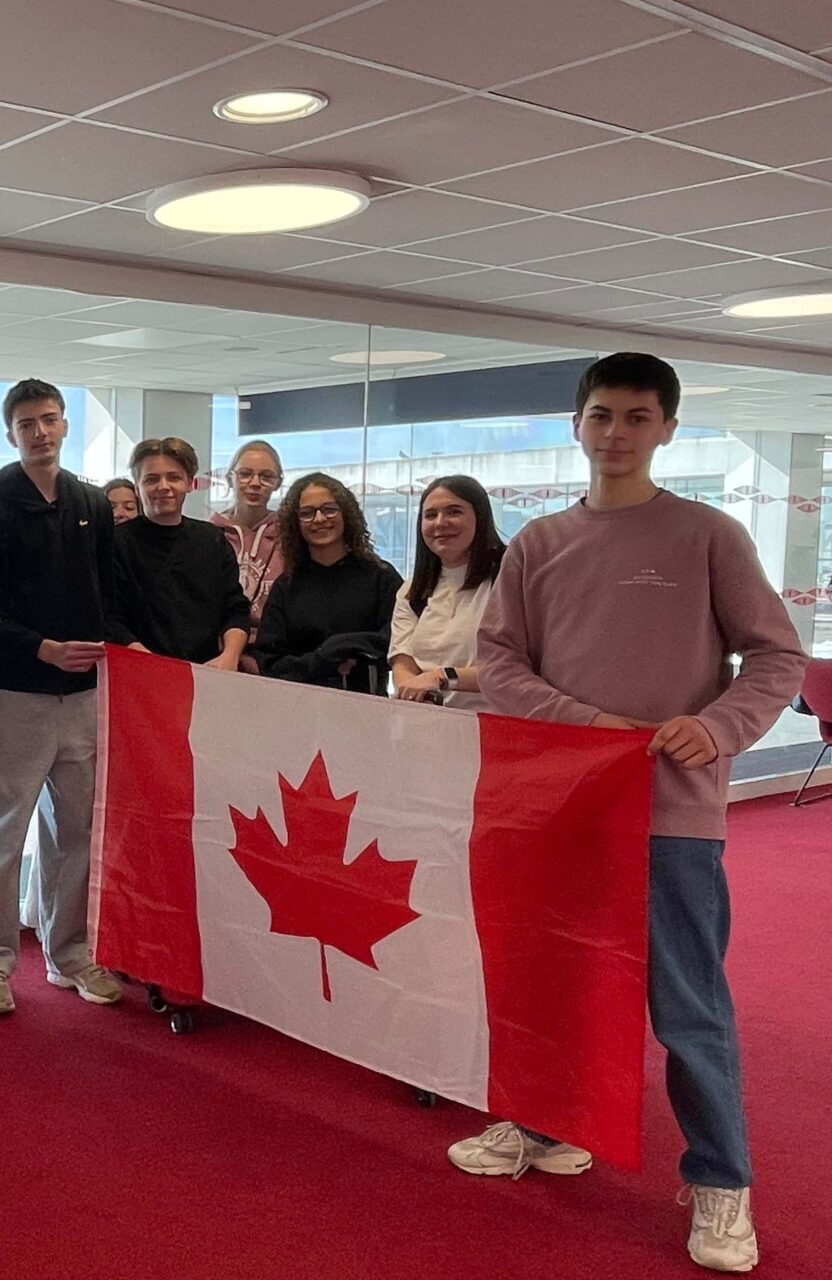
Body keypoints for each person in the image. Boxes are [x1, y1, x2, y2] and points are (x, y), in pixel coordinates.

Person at [454, 353, 804, 1274]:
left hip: (672, 816)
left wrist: (718, 727)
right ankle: (546, 1127)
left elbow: (775, 660)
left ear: (667, 430)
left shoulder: (708, 537)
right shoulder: (537, 544)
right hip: (561, 810)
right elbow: (502, 667)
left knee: (688, 1007)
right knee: (555, 984)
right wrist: (590, 726)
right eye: (602, 416)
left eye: (638, 418)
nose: (617, 435)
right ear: (576, 425)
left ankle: (723, 1183)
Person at [0, 378, 132, 1016]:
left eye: (51, 419)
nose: (40, 432)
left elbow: (108, 601)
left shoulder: (91, 503)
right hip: (19, 698)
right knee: (0, 835)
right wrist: (42, 649)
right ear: (11, 434)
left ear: (65, 426)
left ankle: (71, 955)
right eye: (27, 423)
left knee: (75, 836)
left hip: (86, 698)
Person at [251, 472, 402, 694]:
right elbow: (269, 662)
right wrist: (322, 660)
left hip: (368, 709)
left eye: (329, 509)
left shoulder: (381, 577)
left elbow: (401, 642)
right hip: (300, 709)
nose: (319, 519)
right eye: (307, 513)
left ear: (346, 514)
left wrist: (346, 646)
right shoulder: (286, 586)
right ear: (296, 523)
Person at [109, 436, 251, 667]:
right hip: (137, 671)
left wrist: (230, 656)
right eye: (152, 479)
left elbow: (235, 609)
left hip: (207, 674)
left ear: (190, 483)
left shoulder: (213, 540)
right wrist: (146, 660)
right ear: (137, 487)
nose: (163, 487)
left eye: (174, 477)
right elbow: (109, 617)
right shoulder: (115, 543)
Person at [389, 476, 504, 710]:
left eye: (454, 512)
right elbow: (402, 661)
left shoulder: (508, 580)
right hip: (427, 727)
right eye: (430, 515)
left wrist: (442, 677)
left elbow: (515, 669)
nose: (440, 523)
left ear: (480, 518)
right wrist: (416, 690)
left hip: (494, 726)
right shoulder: (411, 592)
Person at [209, 439, 286, 637]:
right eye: (245, 474)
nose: (255, 483)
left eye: (266, 476)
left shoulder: (289, 537)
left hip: (271, 647)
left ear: (278, 483)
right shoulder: (209, 535)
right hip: (217, 644)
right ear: (229, 478)